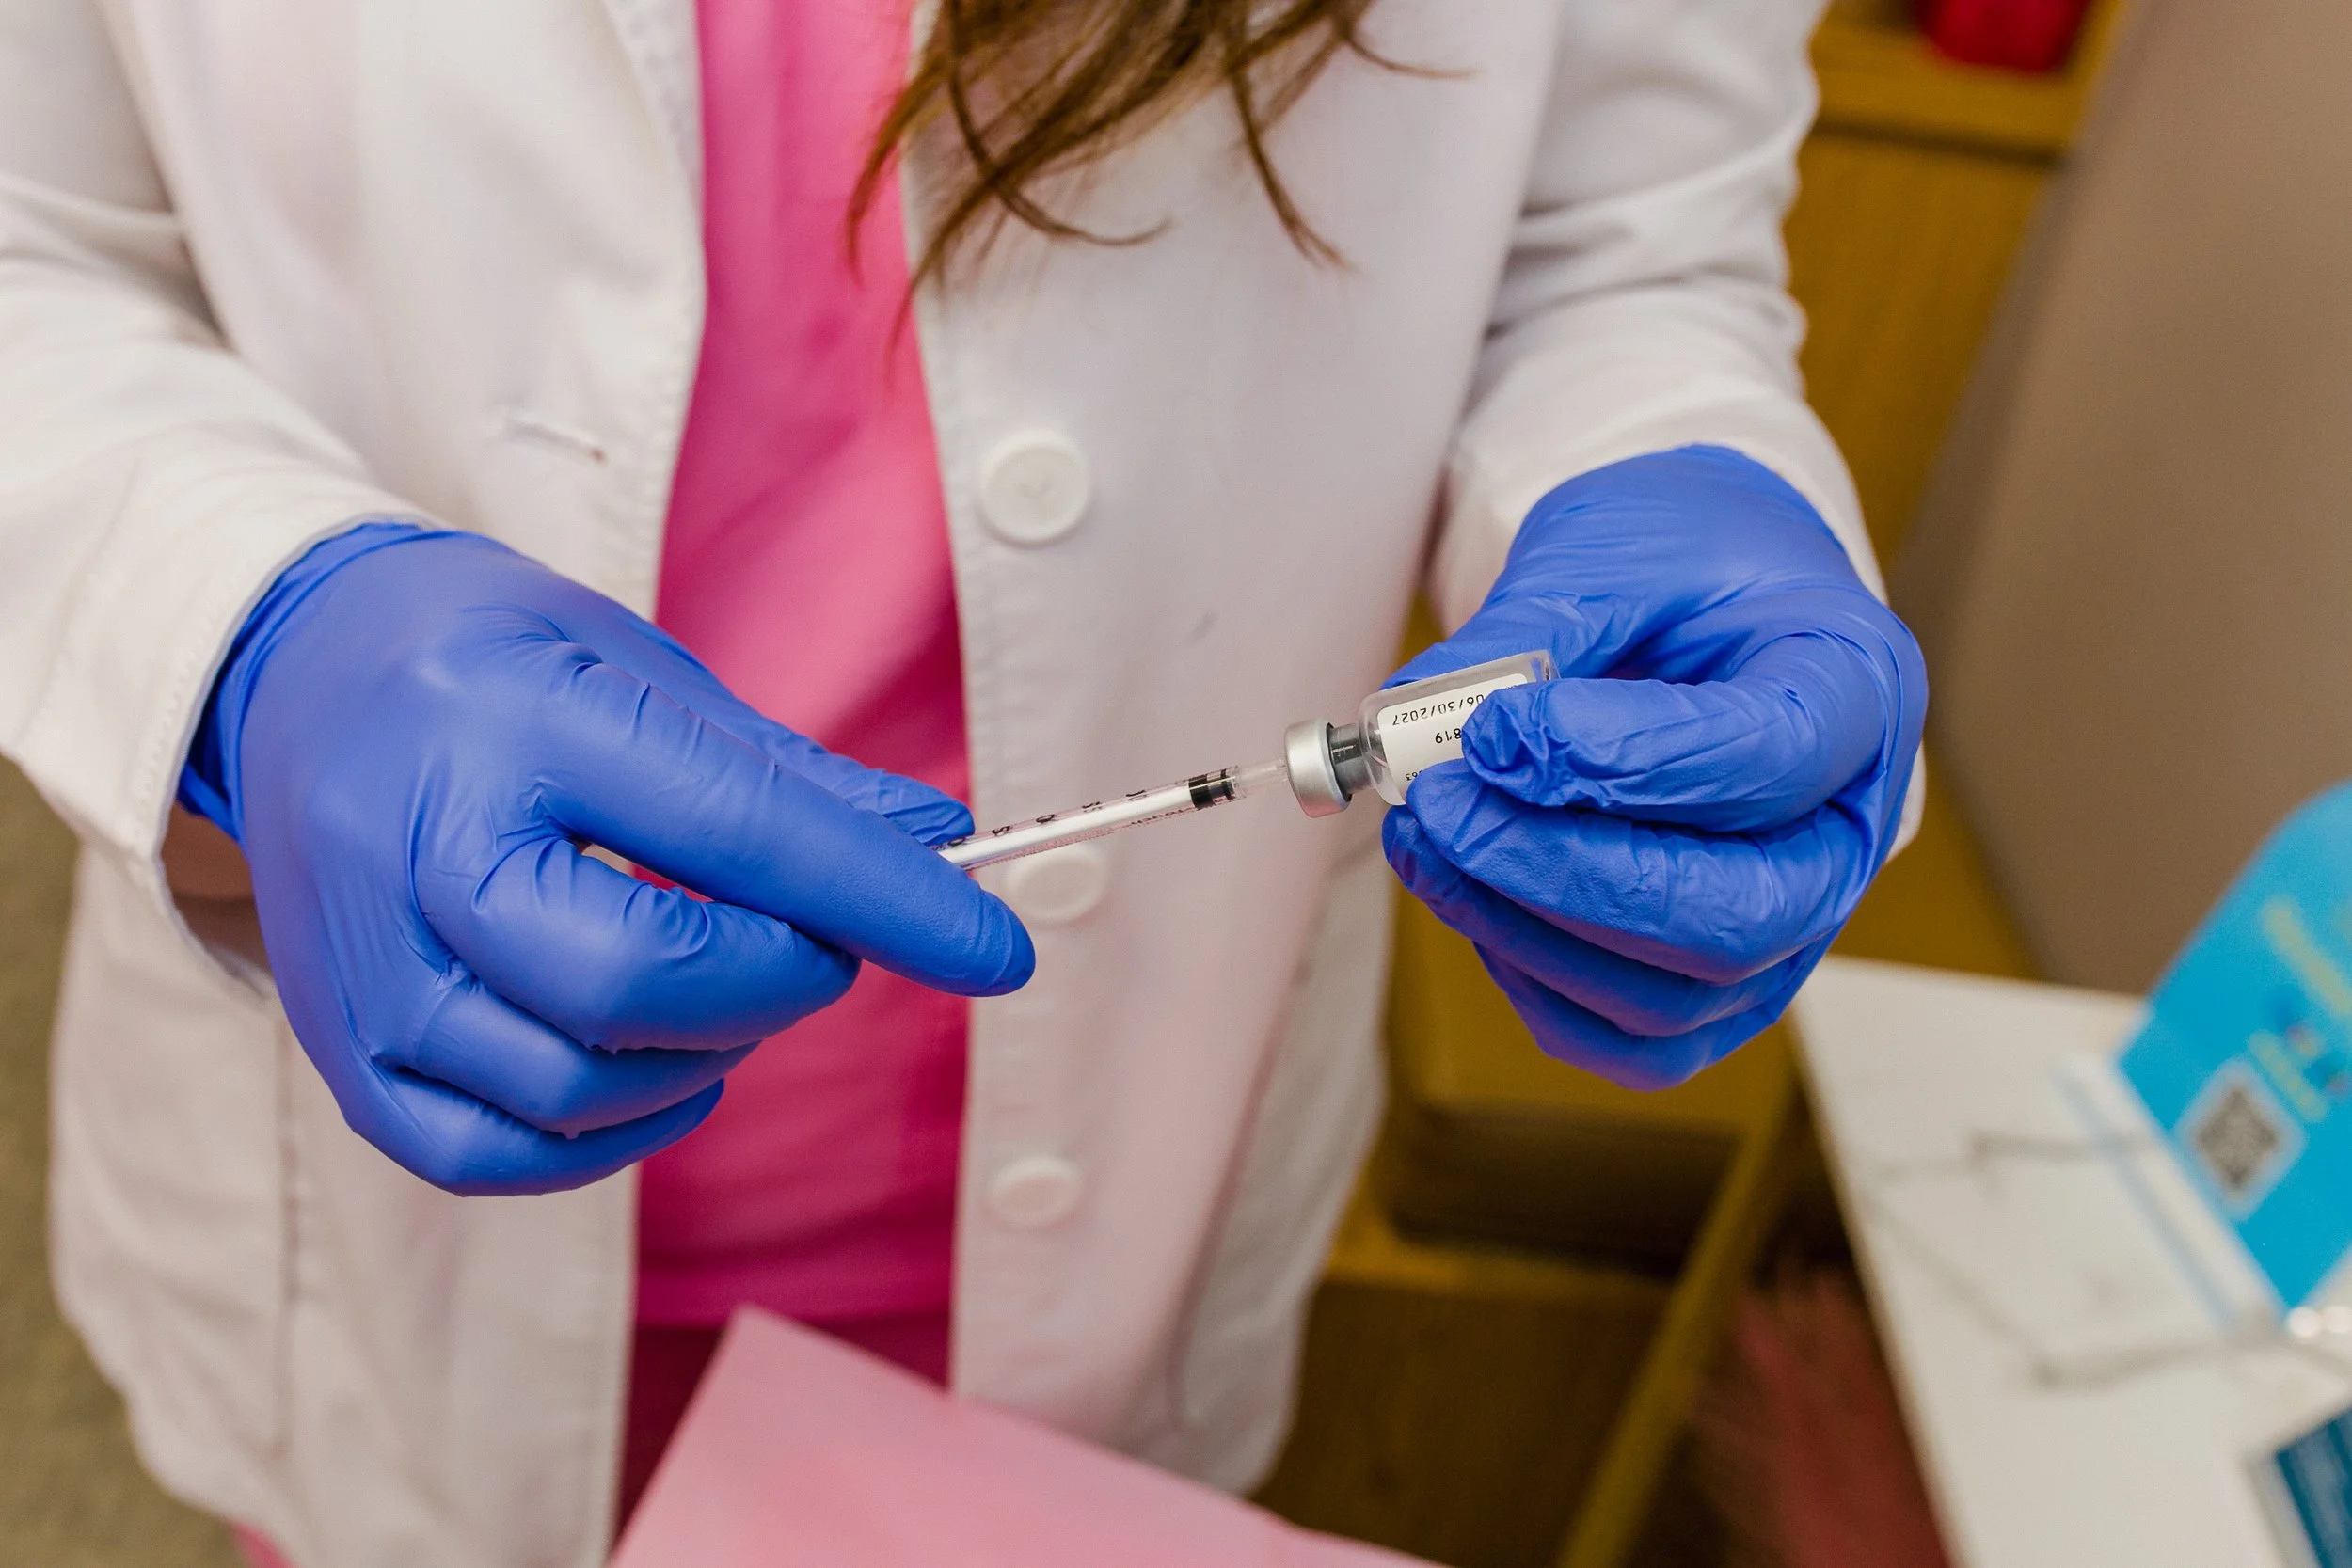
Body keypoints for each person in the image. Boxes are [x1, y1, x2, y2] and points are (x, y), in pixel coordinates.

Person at [0, 0, 1924, 1563]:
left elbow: (1618, 255)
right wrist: (254, 635)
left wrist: (1669, 468)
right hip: (400, 1155)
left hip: (1131, 1161)